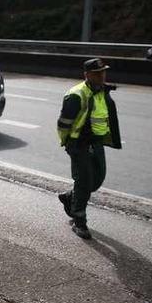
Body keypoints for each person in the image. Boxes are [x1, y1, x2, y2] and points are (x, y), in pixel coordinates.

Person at [56, 58, 122, 239]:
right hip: (78, 144)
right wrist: (67, 142)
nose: (102, 75)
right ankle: (79, 222)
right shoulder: (77, 95)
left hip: (97, 143)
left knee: (97, 180)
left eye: (103, 72)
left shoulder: (101, 91)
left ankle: (70, 197)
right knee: (84, 183)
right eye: (97, 73)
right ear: (87, 75)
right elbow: (63, 124)